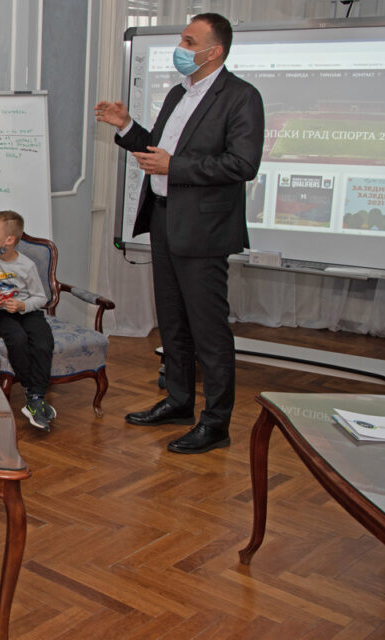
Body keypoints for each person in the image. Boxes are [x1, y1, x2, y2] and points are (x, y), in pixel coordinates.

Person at [94, 12, 264, 454]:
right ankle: (180, 401)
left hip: (205, 228)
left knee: (208, 329)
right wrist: (127, 128)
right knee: (172, 321)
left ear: (215, 51)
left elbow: (243, 164)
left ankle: (217, 422)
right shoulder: (177, 93)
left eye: (189, 41)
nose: (181, 48)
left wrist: (177, 166)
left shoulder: (241, 97)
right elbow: (160, 151)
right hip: (165, 218)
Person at [0, 211, 56, 431]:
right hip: (2, 313)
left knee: (43, 342)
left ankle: (36, 395)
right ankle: (33, 394)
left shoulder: (26, 266)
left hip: (28, 311)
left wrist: (22, 305)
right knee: (16, 340)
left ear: (9, 240)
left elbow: (41, 298)